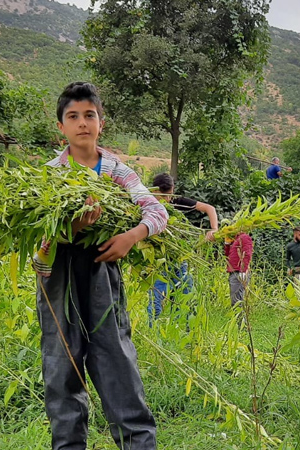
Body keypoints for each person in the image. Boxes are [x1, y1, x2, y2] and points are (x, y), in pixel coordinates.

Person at [30, 82, 165, 450]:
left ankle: (138, 444)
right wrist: (67, 231)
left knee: (116, 362)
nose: (82, 123)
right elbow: (37, 251)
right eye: (72, 116)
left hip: (102, 275)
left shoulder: (117, 172)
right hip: (57, 281)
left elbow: (156, 211)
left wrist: (130, 236)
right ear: (61, 127)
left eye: (89, 115)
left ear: (101, 123)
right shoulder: (48, 176)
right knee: (62, 371)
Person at [147, 173, 219, 323]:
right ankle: (152, 329)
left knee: (184, 294)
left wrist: (214, 229)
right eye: (163, 196)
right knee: (156, 297)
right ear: (154, 191)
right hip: (159, 260)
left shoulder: (177, 202)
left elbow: (209, 208)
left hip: (179, 257)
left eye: (170, 195)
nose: (167, 200)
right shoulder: (146, 203)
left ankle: (181, 330)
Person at [224, 232, 253, 306]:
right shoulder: (235, 239)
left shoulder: (244, 237)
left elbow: (247, 254)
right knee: (235, 298)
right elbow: (227, 256)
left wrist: (243, 270)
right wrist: (227, 245)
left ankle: (241, 317)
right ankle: (239, 317)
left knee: (237, 300)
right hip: (233, 271)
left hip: (239, 271)